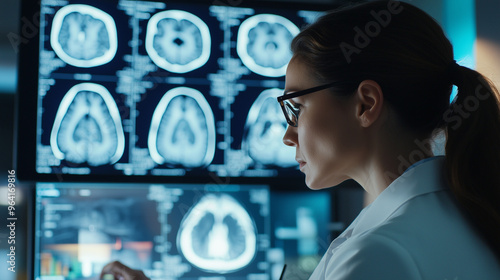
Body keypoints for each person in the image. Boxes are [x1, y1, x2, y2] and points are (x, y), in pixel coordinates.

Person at [102, 1, 500, 279]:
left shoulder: (378, 254)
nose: (287, 134)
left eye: (296, 107)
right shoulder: (465, 212)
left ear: (365, 104)